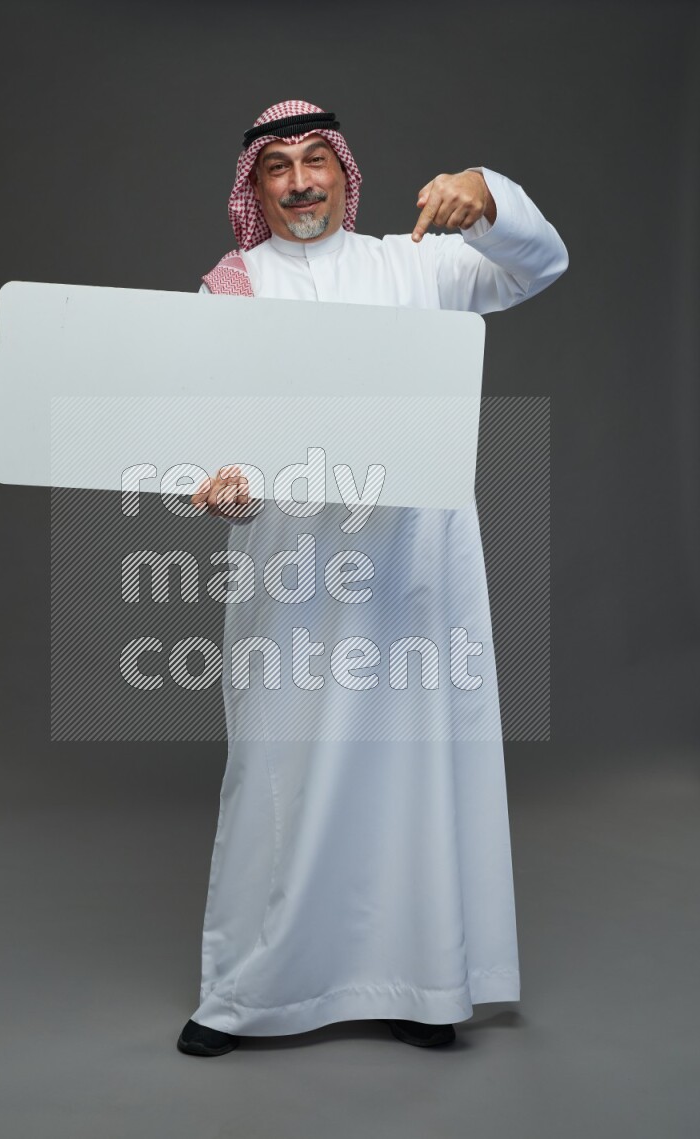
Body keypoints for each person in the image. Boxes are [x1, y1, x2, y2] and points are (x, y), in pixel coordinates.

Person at [177, 100, 568, 1057]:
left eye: (318, 161)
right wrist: (216, 490)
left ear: (345, 174)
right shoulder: (233, 287)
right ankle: (248, 991)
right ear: (255, 187)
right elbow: (203, 436)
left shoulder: (419, 265)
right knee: (278, 769)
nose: (302, 180)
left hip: (412, 575)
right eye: (279, 167)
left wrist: (490, 195)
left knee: (410, 766)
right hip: (293, 572)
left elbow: (541, 264)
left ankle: (421, 982)